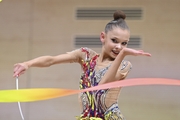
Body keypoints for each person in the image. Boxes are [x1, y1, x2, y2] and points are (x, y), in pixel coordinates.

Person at [13, 10, 151, 120]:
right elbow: (51, 60)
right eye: (114, 40)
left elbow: (102, 85)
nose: (119, 47)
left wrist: (123, 54)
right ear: (103, 37)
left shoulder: (124, 65)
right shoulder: (86, 56)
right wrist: (27, 64)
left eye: (124, 43)